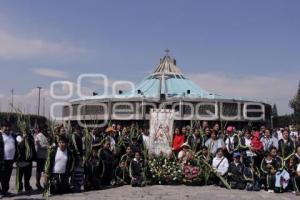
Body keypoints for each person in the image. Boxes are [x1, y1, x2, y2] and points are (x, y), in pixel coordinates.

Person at [16, 127, 36, 193]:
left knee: (28, 175)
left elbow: (32, 148)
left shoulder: (30, 138)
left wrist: (34, 157)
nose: (25, 133)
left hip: (28, 160)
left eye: (26, 131)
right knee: (20, 176)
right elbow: (20, 147)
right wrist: (24, 139)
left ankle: (27, 186)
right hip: (21, 160)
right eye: (24, 131)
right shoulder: (18, 137)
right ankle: (20, 188)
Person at [0, 121, 17, 197]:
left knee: (7, 176)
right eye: (6, 126)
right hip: (2, 160)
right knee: (1, 176)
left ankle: (5, 191)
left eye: (9, 126)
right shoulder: (0, 135)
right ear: (1, 127)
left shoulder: (12, 135)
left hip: (10, 160)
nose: (8, 128)